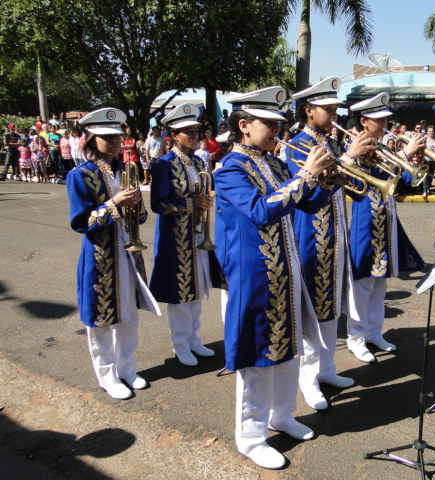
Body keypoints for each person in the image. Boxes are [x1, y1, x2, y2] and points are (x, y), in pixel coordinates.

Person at [214, 86, 335, 469]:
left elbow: (306, 204)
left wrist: (328, 179)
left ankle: (281, 416)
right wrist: (305, 176)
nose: (277, 130)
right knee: (257, 358)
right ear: (244, 125)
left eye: (279, 123)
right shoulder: (229, 169)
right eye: (269, 122)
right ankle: (251, 437)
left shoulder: (277, 165)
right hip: (254, 277)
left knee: (288, 352)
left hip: (287, 270)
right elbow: (260, 210)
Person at [286, 77, 374, 410]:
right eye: (328, 109)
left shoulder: (334, 144)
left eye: (335, 108)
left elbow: (354, 188)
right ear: (309, 110)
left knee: (332, 306)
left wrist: (361, 162)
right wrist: (349, 158)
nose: (334, 114)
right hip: (311, 238)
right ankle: (308, 379)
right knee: (313, 310)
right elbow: (303, 194)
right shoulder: (296, 146)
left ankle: (326, 370)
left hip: (337, 238)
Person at [66, 107, 160, 400]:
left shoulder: (126, 170)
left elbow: (141, 217)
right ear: (92, 140)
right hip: (100, 257)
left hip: (129, 253)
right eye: (107, 138)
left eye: (117, 137)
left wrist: (136, 205)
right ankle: (107, 376)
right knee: (103, 319)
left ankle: (127, 369)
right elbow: (81, 223)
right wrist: (114, 203)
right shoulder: (80, 174)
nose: (115, 142)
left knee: (129, 315)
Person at [346, 92, 425, 360]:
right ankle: (356, 338)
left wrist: (414, 162)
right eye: (379, 120)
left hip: (387, 221)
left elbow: (403, 181)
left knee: (380, 285)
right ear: (363, 121)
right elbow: (361, 179)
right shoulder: (355, 146)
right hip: (365, 223)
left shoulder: (384, 147)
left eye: (385, 120)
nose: (384, 125)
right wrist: (403, 153)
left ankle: (374, 332)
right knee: (362, 286)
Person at [149, 104, 223, 367]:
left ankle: (194, 339)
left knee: (197, 288)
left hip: (198, 235)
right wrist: (191, 204)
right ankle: (180, 344)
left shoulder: (200, 162)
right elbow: (158, 204)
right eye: (187, 131)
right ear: (173, 135)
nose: (193, 135)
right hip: (175, 239)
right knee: (180, 294)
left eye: (195, 130)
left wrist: (205, 200)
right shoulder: (164, 165)